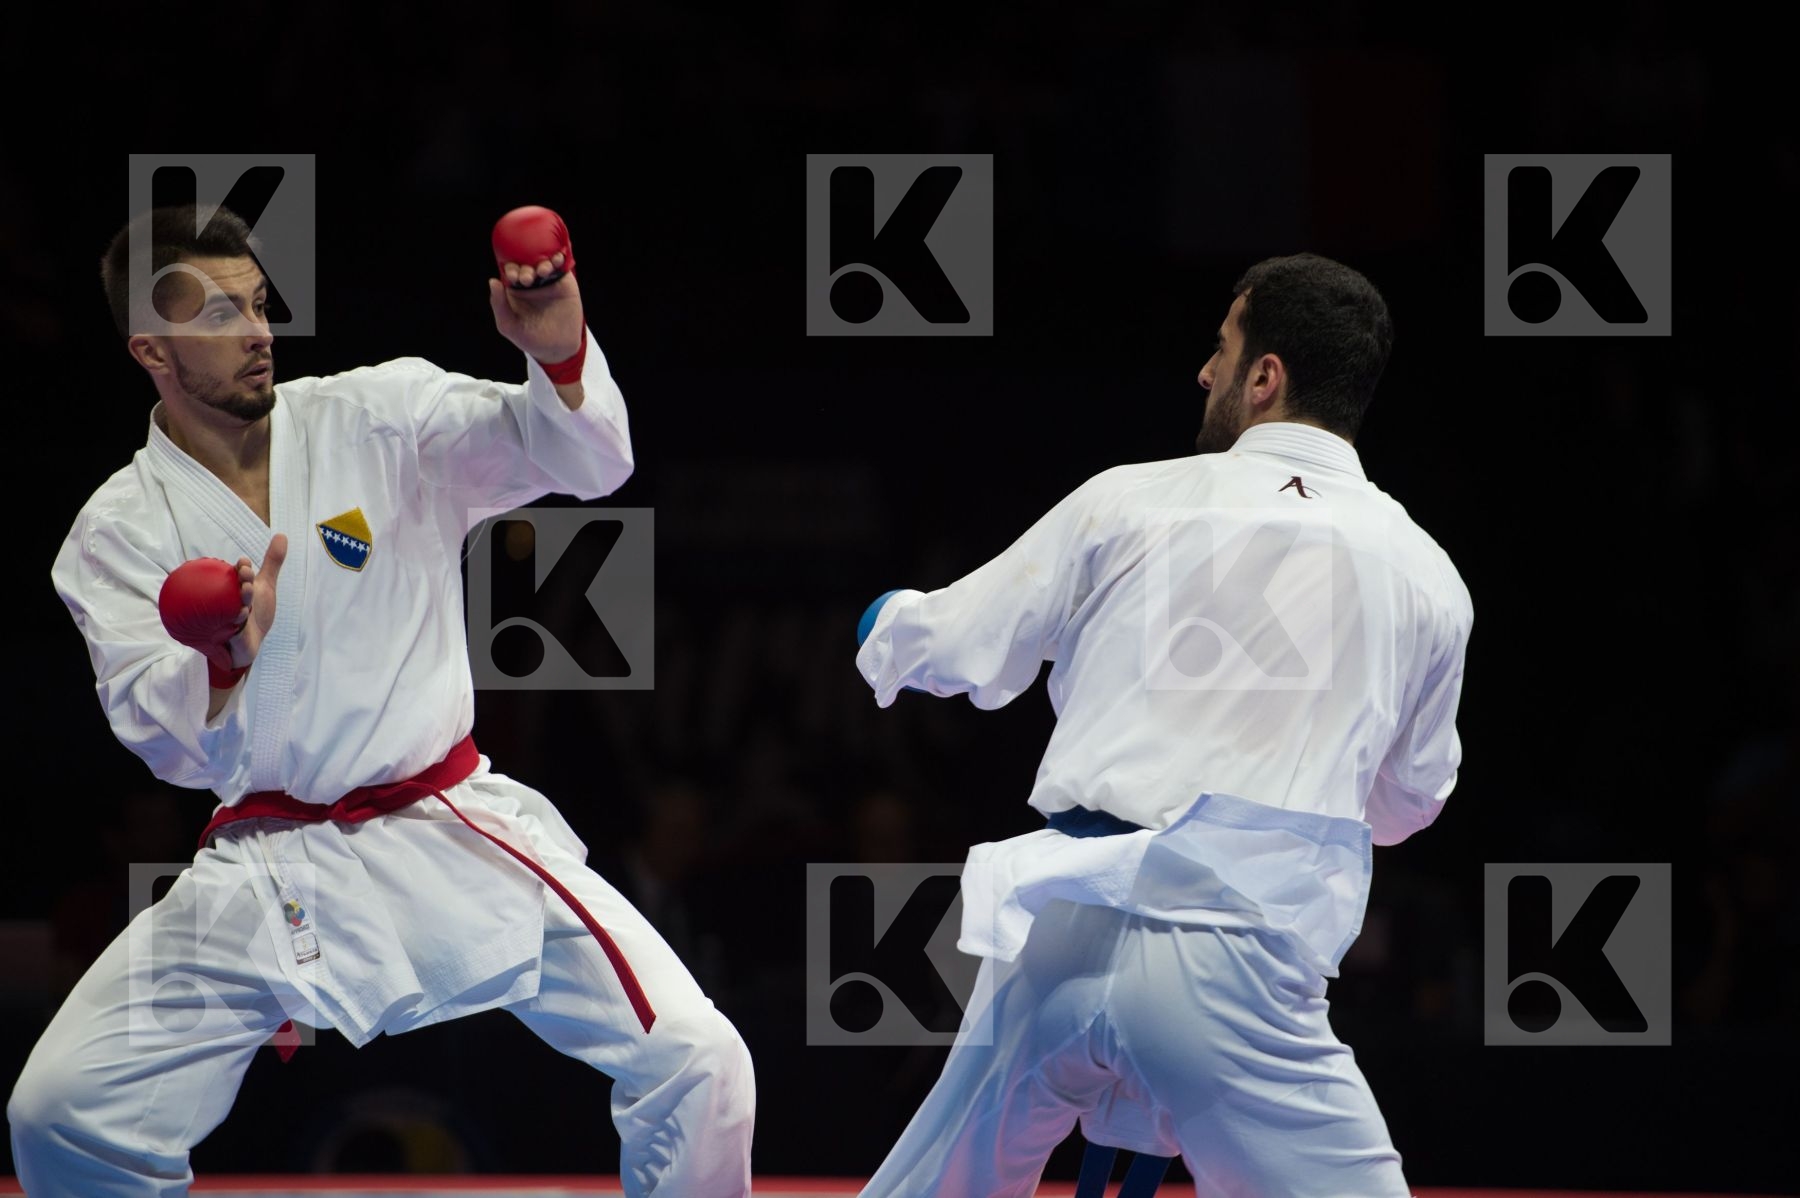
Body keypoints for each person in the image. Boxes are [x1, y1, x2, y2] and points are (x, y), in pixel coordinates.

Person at [8, 203, 754, 1197]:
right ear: (151, 346)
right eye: (219, 314)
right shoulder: (116, 529)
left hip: (445, 823)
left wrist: (559, 352)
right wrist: (222, 657)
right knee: (57, 1111)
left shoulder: (382, 415)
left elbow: (586, 460)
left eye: (259, 303)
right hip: (264, 862)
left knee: (701, 1058)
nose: (256, 330)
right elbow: (169, 746)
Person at [853, 253, 1471, 1197]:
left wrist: (883, 625)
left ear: (1267, 377)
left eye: (1221, 349)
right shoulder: (1426, 575)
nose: (1203, 370)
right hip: (1235, 955)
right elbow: (1406, 806)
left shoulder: (1131, 501)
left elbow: (954, 647)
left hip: (1057, 932)